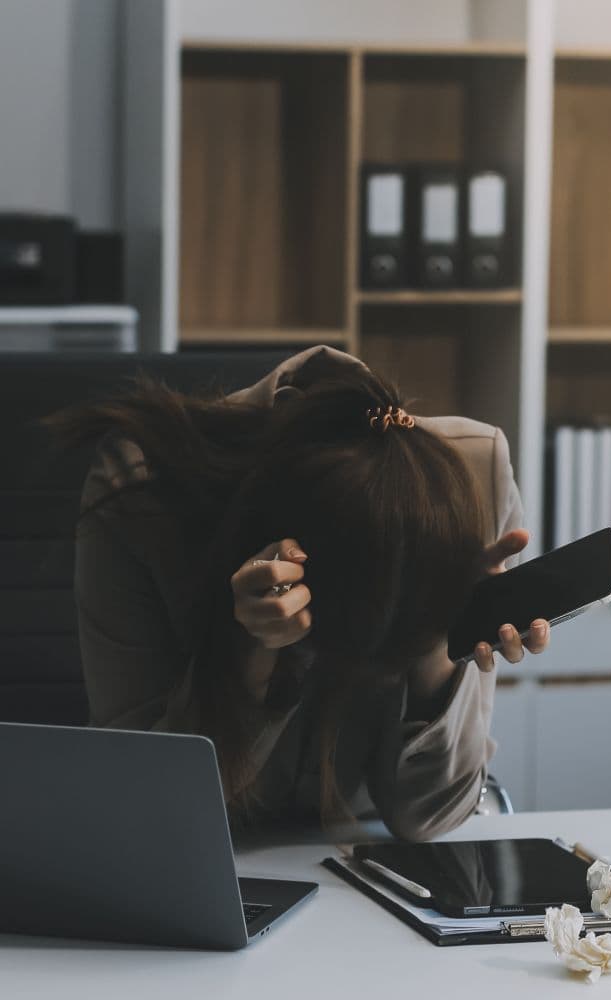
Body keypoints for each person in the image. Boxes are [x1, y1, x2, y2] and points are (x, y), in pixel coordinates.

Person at [64, 346, 549, 841]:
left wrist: (442, 632)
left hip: (362, 863)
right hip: (205, 852)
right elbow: (145, 808)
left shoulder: (474, 480)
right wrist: (250, 654)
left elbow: (425, 818)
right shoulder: (142, 492)